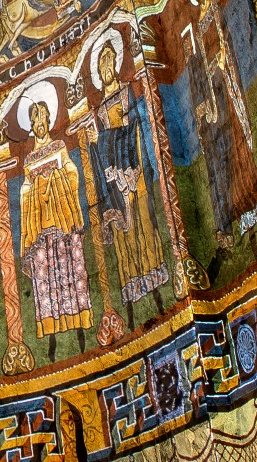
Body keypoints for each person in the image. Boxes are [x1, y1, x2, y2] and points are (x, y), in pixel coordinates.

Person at [183, 0, 257, 251]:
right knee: (225, 156)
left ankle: (254, 199)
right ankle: (241, 211)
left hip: (226, 87)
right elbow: (200, 69)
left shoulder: (216, 11)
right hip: (215, 96)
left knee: (238, 145)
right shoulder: (197, 29)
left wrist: (221, 63)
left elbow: (226, 44)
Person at [87, 37, 167, 324]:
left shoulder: (125, 93)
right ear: (99, 73)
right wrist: (95, 143)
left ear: (116, 63)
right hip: (114, 181)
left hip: (133, 171)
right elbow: (99, 150)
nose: (107, 65)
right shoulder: (98, 111)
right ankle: (132, 297)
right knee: (123, 236)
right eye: (102, 63)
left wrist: (104, 139)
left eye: (110, 59)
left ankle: (157, 289)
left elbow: (134, 129)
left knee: (145, 222)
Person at [18, 92, 93, 361]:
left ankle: (81, 327)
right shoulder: (29, 160)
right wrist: (33, 187)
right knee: (45, 282)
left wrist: (55, 177)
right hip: (41, 229)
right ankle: (50, 335)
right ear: (32, 125)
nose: (40, 124)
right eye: (35, 120)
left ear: (49, 121)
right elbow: (25, 190)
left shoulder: (59, 146)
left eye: (43, 119)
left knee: (71, 274)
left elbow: (72, 173)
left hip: (61, 223)